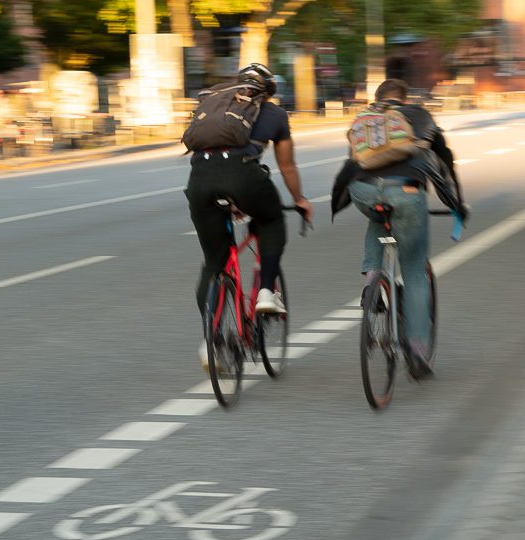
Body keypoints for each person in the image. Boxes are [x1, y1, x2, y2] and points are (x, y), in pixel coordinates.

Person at [330, 78, 467, 379]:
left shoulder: (365, 119)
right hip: (406, 192)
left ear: (377, 98)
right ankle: (417, 350)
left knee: (377, 217)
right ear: (405, 99)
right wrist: (457, 202)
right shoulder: (420, 115)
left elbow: (353, 162)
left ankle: (372, 280)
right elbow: (445, 161)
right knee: (415, 269)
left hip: (363, 191)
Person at [184, 63, 313, 367]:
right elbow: (288, 167)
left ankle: (210, 340)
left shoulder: (215, 106)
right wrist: (300, 199)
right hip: (245, 178)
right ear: (268, 93)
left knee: (214, 264)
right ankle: (266, 291)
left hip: (200, 181)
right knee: (271, 221)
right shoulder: (274, 114)